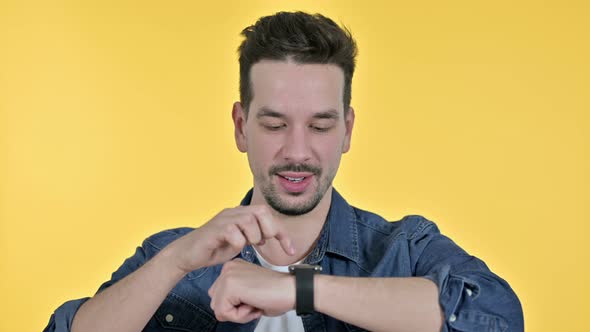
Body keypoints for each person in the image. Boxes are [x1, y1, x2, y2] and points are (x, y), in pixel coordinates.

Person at [44, 11, 523, 332]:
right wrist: (174, 263)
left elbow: (497, 316)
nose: (298, 150)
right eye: (275, 124)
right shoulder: (170, 258)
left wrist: (299, 289)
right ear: (241, 126)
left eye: (320, 125)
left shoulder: (404, 250)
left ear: (347, 130)